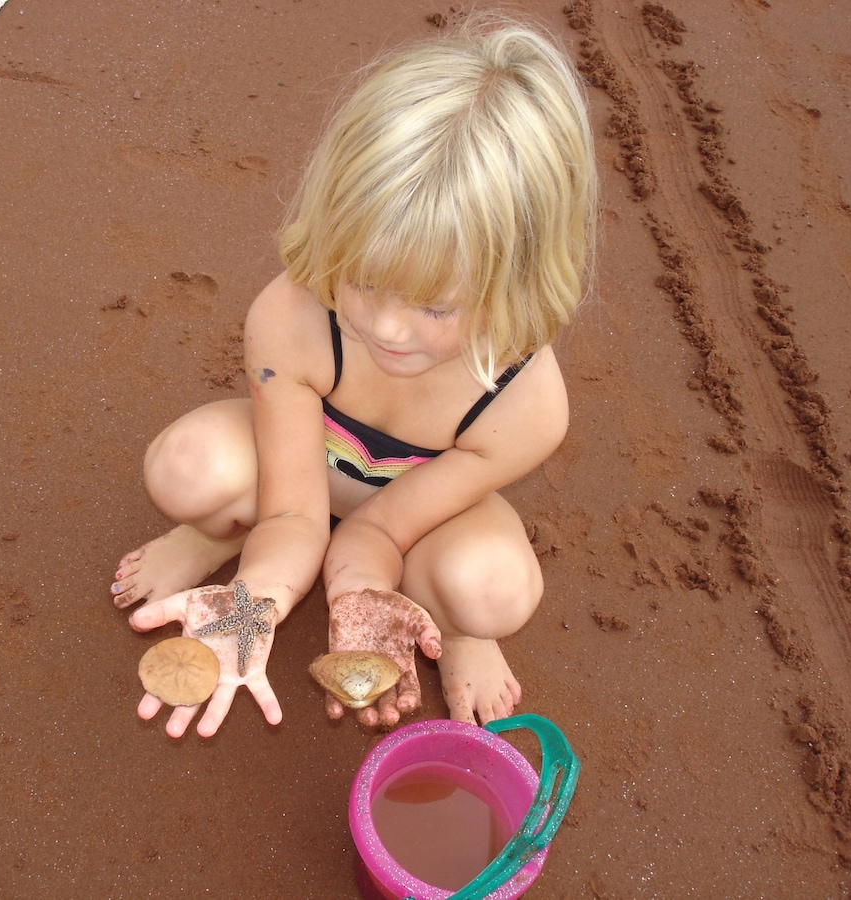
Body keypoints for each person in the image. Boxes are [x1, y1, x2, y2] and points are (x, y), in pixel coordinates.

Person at [110, 14, 597, 738]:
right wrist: (256, 601)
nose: (388, 329)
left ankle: (459, 631)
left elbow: (384, 531)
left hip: (419, 519)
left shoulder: (525, 407)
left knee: (492, 591)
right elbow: (295, 514)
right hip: (297, 480)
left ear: (521, 284)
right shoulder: (294, 317)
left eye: (435, 305)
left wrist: (363, 593)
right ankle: (223, 539)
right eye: (365, 281)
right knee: (188, 469)